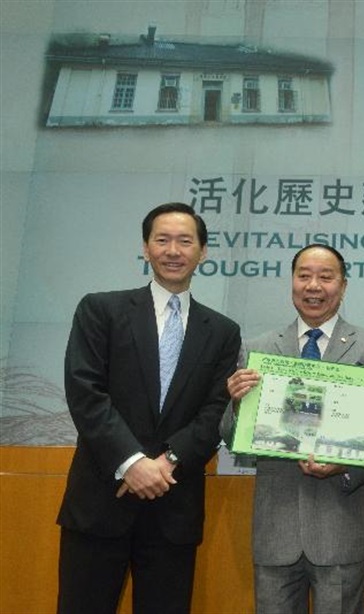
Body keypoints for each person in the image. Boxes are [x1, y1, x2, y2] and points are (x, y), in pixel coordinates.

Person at [57, 202, 241, 613]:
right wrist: (132, 462)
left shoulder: (223, 332)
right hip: (100, 503)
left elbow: (216, 410)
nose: (173, 250)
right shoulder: (100, 309)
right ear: (145, 248)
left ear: (203, 252)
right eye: (162, 240)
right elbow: (86, 392)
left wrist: (169, 460)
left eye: (185, 241)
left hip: (173, 510)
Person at [223, 244, 364, 614]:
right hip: (276, 531)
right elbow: (231, 437)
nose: (314, 286)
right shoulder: (258, 349)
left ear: (343, 285)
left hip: (341, 529)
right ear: (291, 282)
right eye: (304, 275)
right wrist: (238, 403)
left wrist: (347, 467)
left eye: (326, 276)